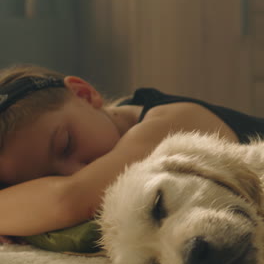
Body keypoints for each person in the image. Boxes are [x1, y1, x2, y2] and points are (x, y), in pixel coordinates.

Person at [0, 63, 264, 242]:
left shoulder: (171, 122)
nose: (77, 171)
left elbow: (69, 201)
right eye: (42, 181)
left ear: (84, 94)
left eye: (66, 145)